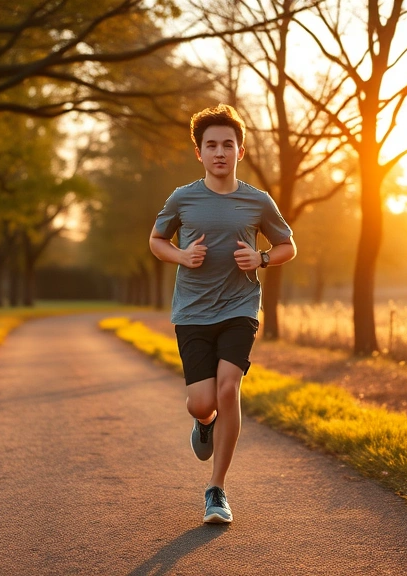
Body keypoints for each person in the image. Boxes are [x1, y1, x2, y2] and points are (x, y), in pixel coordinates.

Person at [149, 103, 296, 524]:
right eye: (211, 145)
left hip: (240, 307)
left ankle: (217, 490)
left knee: (229, 388)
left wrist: (262, 258)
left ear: (240, 150)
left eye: (227, 144)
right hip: (193, 312)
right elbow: (157, 240)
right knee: (201, 403)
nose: (219, 152)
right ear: (199, 152)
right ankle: (206, 422)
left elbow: (288, 246)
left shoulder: (257, 201)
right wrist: (180, 255)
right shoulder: (183, 198)